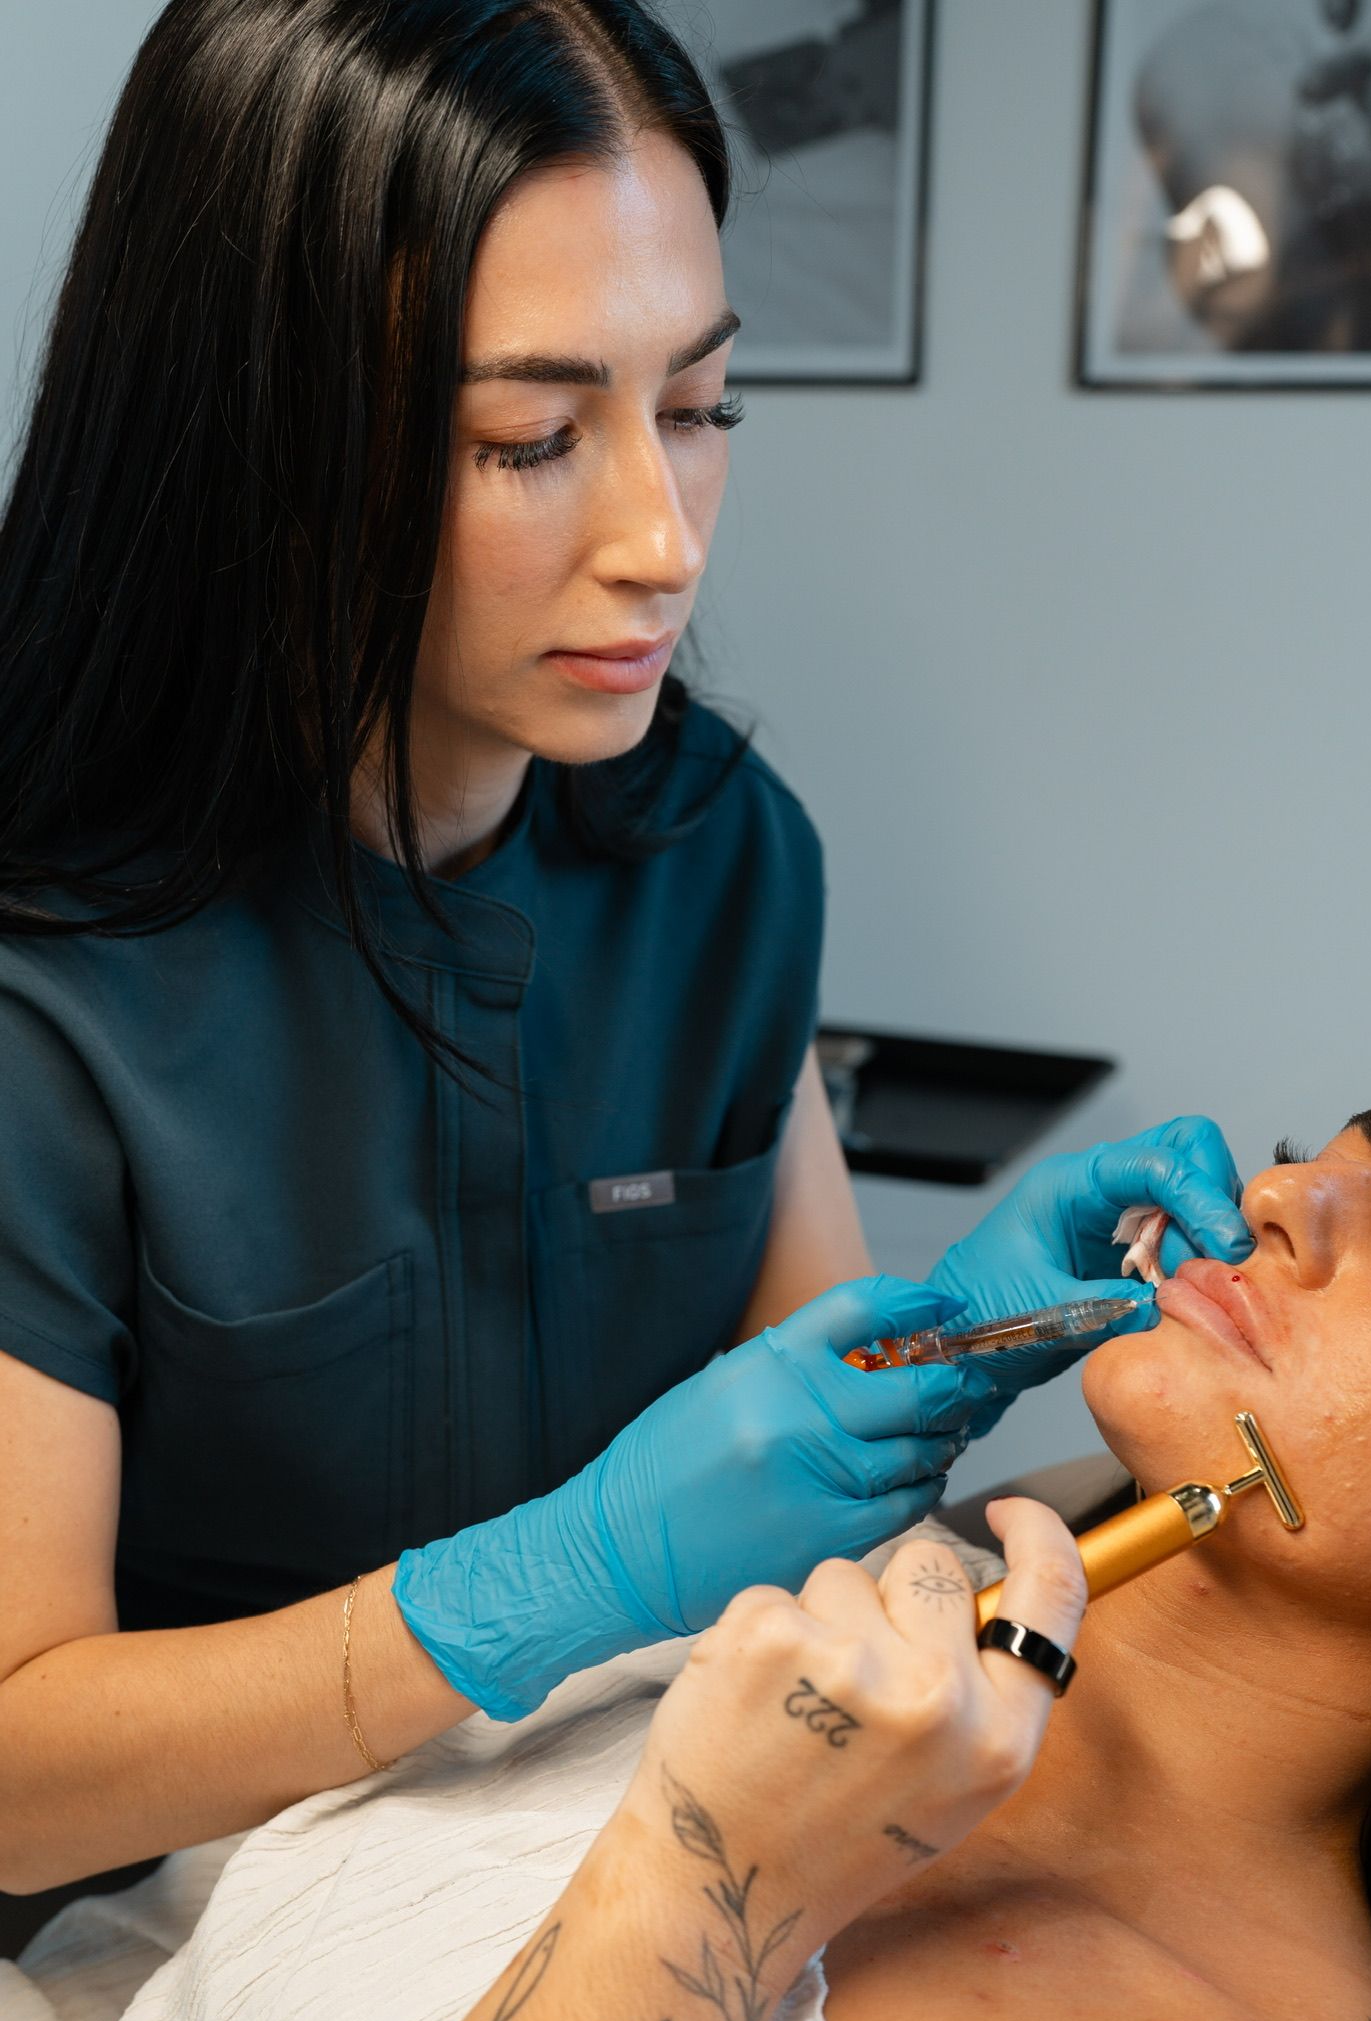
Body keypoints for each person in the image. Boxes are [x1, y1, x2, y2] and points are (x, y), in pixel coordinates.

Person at [0, 0, 1251, 1902]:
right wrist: (537, 1589)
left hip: (594, 1883)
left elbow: (837, 1492)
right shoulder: (53, 986)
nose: (663, 537)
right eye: (531, 439)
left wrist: (969, 1351)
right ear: (255, 429)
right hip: (141, 1972)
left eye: (698, 408)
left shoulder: (719, 857)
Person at [15, 1023, 1371, 2021]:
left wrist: (711, 1892)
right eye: (1341, 1142)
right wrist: (551, 1571)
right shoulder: (915, 1561)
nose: (1281, 1196)